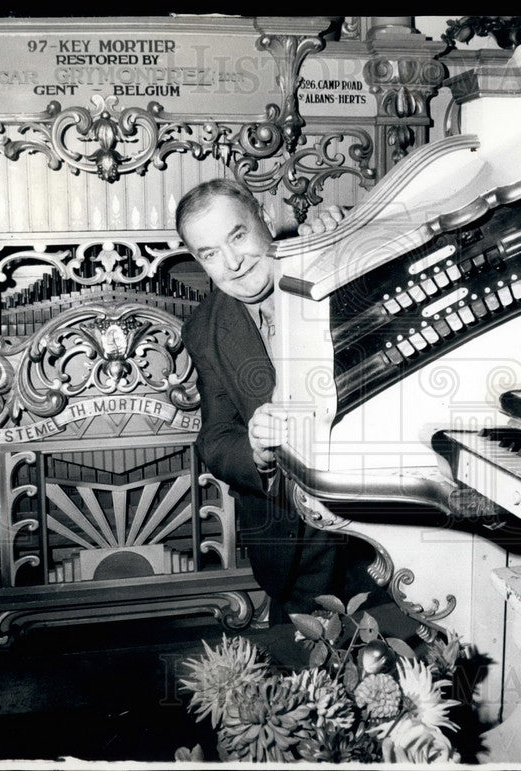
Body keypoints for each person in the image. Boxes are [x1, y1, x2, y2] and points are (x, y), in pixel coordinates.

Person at [176, 179, 376, 625]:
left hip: (381, 531)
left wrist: (350, 237)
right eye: (210, 254)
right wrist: (254, 450)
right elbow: (215, 437)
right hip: (296, 552)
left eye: (238, 236)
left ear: (265, 218)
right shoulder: (204, 329)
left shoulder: (331, 259)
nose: (233, 263)